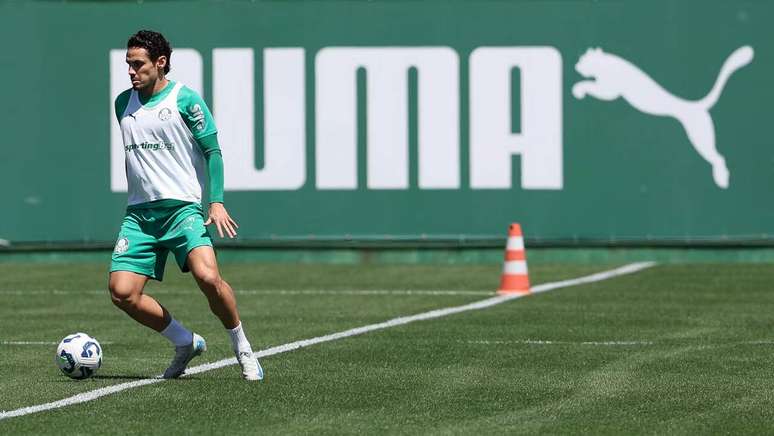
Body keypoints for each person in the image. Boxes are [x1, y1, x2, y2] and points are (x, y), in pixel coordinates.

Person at [109, 30, 263, 381]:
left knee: (208, 277)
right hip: (140, 216)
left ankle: (242, 348)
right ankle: (185, 341)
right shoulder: (123, 103)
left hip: (182, 211)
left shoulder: (185, 100)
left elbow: (213, 151)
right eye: (128, 65)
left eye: (138, 64)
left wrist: (217, 202)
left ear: (160, 62)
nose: (131, 71)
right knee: (122, 293)